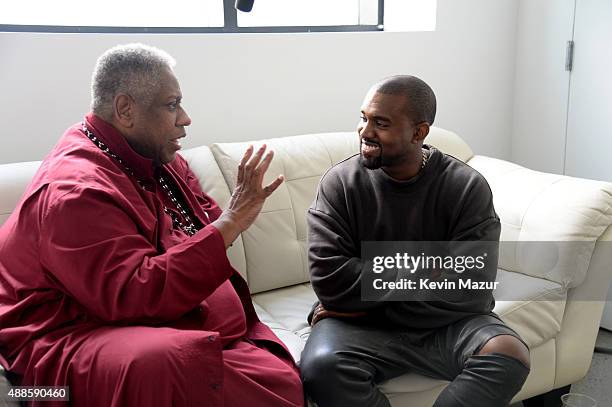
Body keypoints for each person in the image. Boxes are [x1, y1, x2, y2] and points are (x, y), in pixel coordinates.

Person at [0, 43, 304, 407]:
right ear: (126, 109)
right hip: (64, 336)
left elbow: (199, 220)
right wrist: (231, 223)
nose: (186, 118)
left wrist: (223, 223)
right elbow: (130, 294)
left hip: (161, 318)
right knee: (168, 360)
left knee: (267, 375)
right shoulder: (76, 192)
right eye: (172, 105)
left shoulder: (154, 154)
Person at [300, 75, 530, 407]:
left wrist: (366, 292)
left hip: (436, 324)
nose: (365, 132)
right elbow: (330, 280)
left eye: (381, 123)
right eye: (363, 118)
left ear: (418, 132)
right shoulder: (340, 184)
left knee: (507, 354)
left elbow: (472, 288)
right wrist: (427, 270)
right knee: (322, 367)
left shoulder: (465, 187)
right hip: (363, 327)